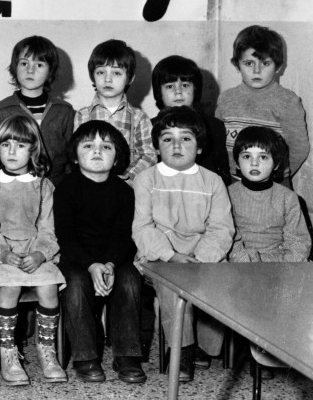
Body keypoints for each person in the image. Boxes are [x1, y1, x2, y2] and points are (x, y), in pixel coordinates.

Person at [132, 107, 234, 383]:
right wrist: (170, 255)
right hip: (160, 257)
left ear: (199, 147)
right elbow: (142, 227)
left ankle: (205, 346)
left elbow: (221, 227)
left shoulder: (212, 181)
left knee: (222, 281)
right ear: (156, 147)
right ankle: (182, 350)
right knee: (172, 285)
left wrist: (201, 257)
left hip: (203, 256)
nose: (176, 146)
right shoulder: (146, 179)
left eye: (186, 138)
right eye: (168, 139)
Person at [54, 121, 144, 384]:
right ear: (74, 156)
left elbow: (124, 236)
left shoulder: (124, 192)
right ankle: (85, 356)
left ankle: (127, 355)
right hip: (76, 258)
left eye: (106, 147)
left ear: (117, 158)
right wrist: (91, 265)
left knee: (130, 281)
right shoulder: (66, 188)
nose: (97, 151)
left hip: (113, 258)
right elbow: (65, 236)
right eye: (88, 146)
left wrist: (111, 264)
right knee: (75, 283)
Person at [0, 115, 65, 386]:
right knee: (9, 287)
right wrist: (3, 254)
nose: (11, 151)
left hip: (36, 252)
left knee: (49, 285)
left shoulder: (43, 185)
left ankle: (46, 349)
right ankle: (8, 352)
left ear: (33, 149)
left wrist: (41, 254)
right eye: (5, 144)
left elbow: (47, 228)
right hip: (3, 255)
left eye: (20, 145)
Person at [216, 25, 309, 187]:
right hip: (233, 180)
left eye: (265, 63)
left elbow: (299, 147)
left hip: (273, 182)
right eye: (249, 63)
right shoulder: (226, 98)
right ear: (237, 65)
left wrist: (278, 173)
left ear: (278, 67)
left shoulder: (288, 101)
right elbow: (217, 140)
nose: (256, 71)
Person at [0, 36, 74, 187]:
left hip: (56, 188)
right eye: (24, 63)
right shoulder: (0, 112)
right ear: (15, 67)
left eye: (39, 64)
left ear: (50, 71)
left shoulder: (64, 111)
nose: (30, 70)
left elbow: (71, 158)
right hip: (13, 189)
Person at [74, 39, 157, 183]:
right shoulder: (83, 115)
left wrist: (128, 176)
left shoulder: (139, 118)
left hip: (126, 186)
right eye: (101, 72)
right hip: (90, 184)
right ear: (92, 75)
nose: (108, 79)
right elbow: (77, 152)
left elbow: (149, 155)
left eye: (117, 73)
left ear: (130, 78)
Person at [229, 127, 311, 263]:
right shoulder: (227, 195)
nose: (254, 163)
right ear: (237, 163)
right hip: (238, 262)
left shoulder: (288, 198)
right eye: (247, 156)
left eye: (263, 157)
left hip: (278, 263)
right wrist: (245, 262)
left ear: (276, 164)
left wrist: (279, 264)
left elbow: (299, 243)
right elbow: (225, 237)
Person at [151, 55, 230, 184]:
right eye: (170, 86)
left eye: (185, 85)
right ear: (159, 92)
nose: (178, 92)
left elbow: (222, 173)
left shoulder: (214, 126)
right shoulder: (149, 126)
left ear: (195, 89)